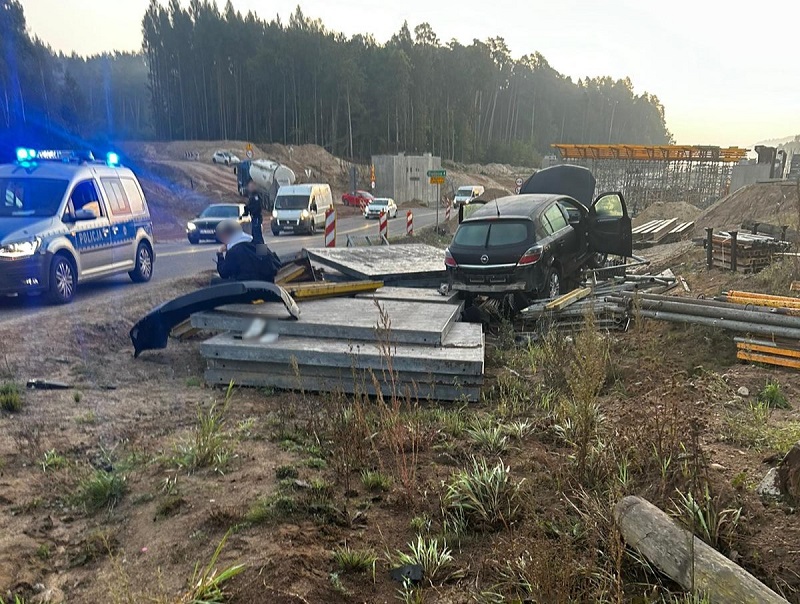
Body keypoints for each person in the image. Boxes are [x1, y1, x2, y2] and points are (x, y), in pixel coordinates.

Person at [214, 219, 279, 282]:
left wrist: (220, 254)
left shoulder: (233, 251)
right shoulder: (259, 245)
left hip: (246, 288)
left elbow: (224, 273)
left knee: (215, 281)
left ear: (226, 235)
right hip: (267, 286)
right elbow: (270, 262)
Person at [244, 179, 265, 244]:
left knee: (258, 236)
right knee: (254, 236)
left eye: (251, 186)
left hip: (257, 217)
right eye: (249, 186)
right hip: (254, 218)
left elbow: (256, 207)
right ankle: (256, 251)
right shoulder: (251, 196)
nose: (249, 187)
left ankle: (262, 252)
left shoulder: (256, 196)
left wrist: (248, 209)